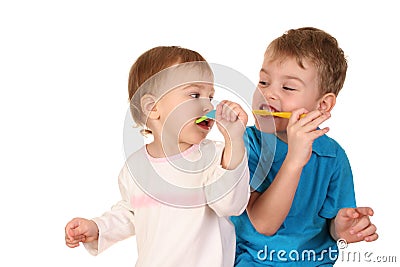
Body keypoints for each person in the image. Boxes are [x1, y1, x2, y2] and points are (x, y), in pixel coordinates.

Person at [65, 46, 250, 267]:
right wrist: (98, 228)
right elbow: (132, 213)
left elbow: (230, 206)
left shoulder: (219, 156)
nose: (208, 105)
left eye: (210, 96)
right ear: (153, 108)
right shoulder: (135, 167)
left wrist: (234, 140)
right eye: (194, 94)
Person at [231, 27, 378, 266]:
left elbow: (330, 226)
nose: (268, 94)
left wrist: (341, 228)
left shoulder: (333, 156)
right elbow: (263, 224)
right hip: (255, 260)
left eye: (287, 87)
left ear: (323, 105)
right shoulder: (246, 144)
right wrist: (295, 159)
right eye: (264, 81)